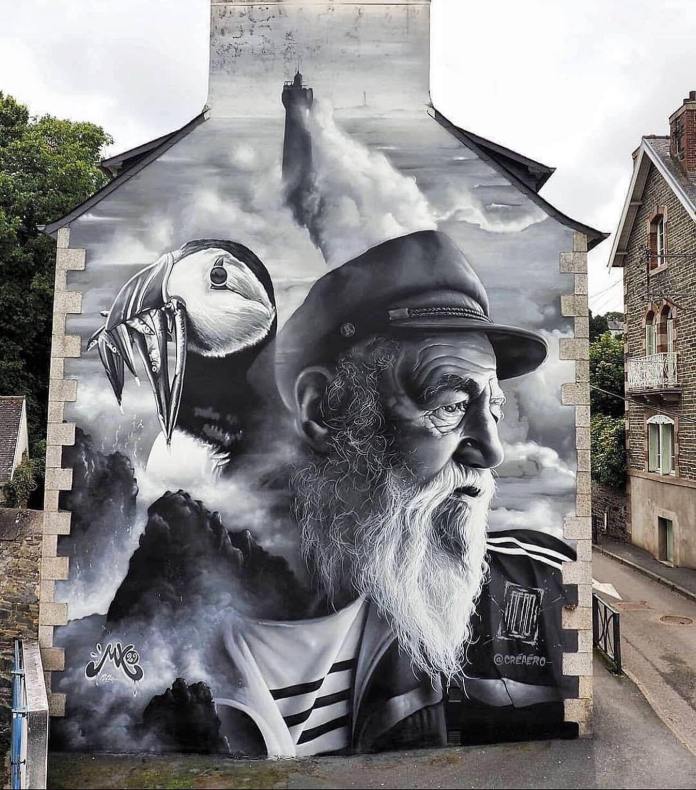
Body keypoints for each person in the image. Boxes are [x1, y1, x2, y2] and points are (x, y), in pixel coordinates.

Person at [215, 230, 576, 756]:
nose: (490, 450)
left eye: (494, 409)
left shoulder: (542, 586)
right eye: (450, 405)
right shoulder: (174, 632)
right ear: (323, 410)